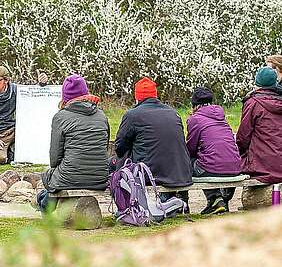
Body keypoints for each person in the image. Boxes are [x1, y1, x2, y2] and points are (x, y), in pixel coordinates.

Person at [114, 77, 192, 203]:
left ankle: (128, 205)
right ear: (155, 95)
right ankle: (178, 201)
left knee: (120, 160)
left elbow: (119, 147)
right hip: (179, 172)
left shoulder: (132, 115)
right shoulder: (173, 113)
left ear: (137, 97)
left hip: (150, 174)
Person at [38, 75, 110, 211]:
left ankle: (44, 206)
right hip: (100, 178)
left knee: (49, 176)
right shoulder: (102, 116)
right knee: (58, 178)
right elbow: (104, 148)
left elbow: (55, 158)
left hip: (69, 176)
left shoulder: (60, 117)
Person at [0, 65, 48, 164]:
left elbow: (32, 94)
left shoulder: (16, 90)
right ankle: (10, 153)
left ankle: (12, 152)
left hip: (14, 131)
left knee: (31, 154)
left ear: (6, 80)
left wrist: (41, 84)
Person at [185, 87, 242, 215]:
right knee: (211, 160)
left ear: (194, 106)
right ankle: (220, 201)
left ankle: (213, 199)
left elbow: (191, 149)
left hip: (212, 168)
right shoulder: (222, 118)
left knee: (187, 162)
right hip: (235, 166)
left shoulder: (195, 119)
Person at [237, 67, 282, 184]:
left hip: (263, 166)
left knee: (228, 162)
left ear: (257, 83)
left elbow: (243, 137)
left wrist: (239, 151)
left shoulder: (253, 103)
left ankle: (223, 199)